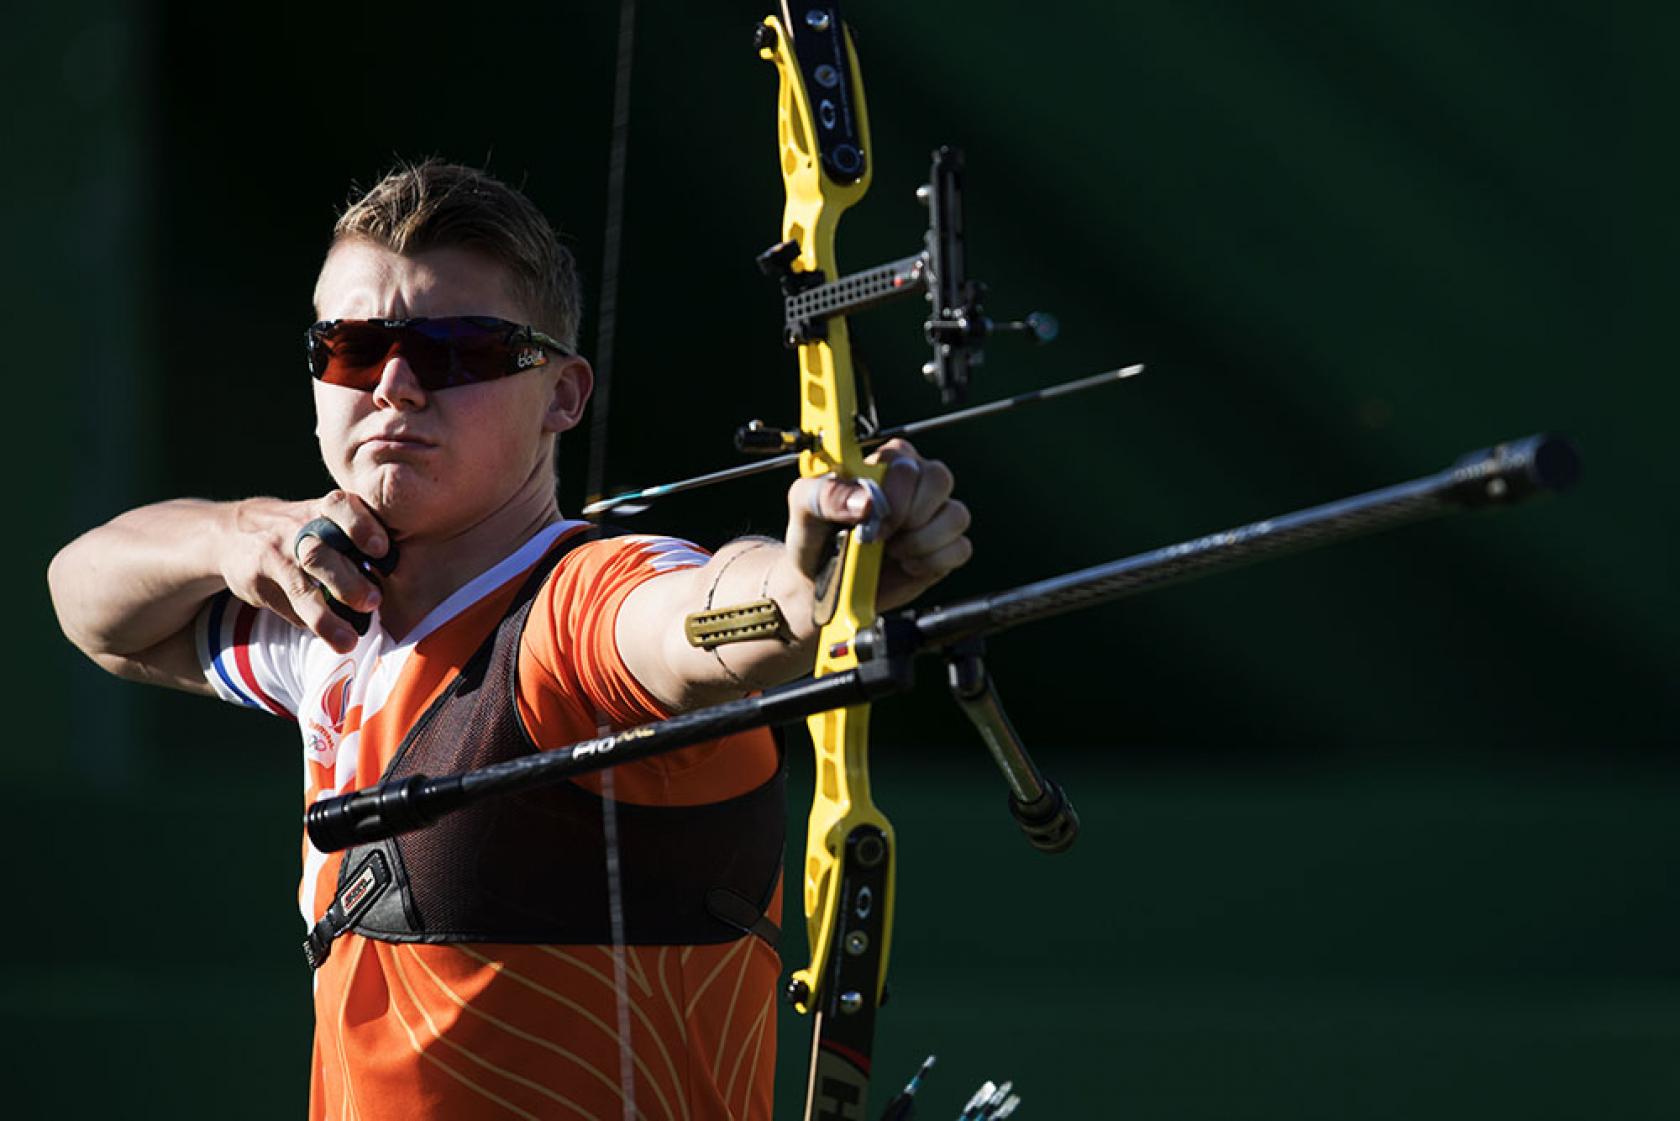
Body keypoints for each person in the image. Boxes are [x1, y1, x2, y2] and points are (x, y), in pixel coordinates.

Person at [46, 160, 971, 1121]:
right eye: (352, 348)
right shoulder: (329, 621)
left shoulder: (578, 610)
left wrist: (812, 584)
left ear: (563, 395)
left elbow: (695, 621)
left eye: (457, 352)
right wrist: (235, 531)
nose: (395, 387)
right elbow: (88, 601)